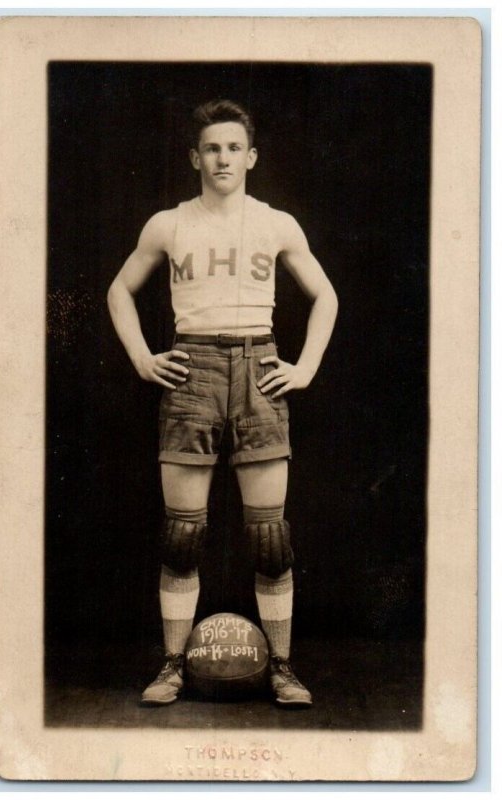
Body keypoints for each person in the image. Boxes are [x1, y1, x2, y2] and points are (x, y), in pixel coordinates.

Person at [107, 99, 338, 708]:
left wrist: (305, 367)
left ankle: (283, 667)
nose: (223, 158)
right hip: (193, 371)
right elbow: (119, 289)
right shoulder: (169, 223)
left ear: (251, 157)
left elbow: (326, 296)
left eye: (234, 147)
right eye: (212, 148)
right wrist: (141, 358)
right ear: (195, 157)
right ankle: (172, 666)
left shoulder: (277, 223)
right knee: (183, 534)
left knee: (270, 536)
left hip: (260, 369)